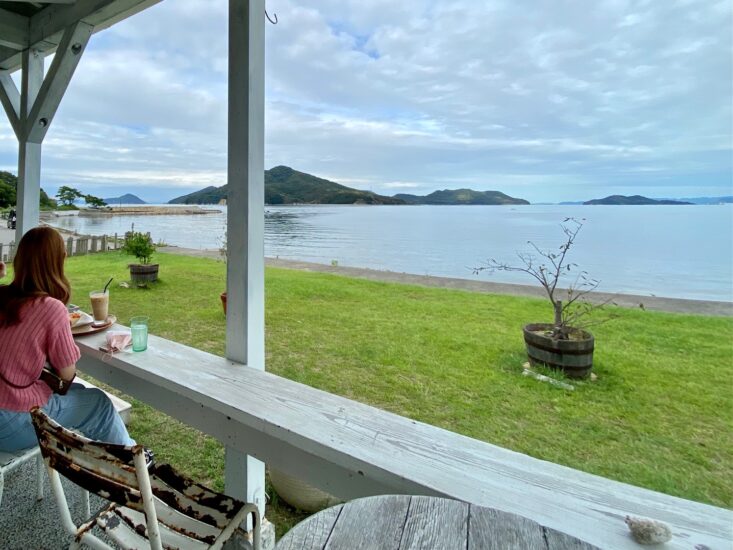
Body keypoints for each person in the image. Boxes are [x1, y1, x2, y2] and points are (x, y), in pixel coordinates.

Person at [0, 227, 135, 452]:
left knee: (81, 394)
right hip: (11, 422)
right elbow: (67, 375)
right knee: (98, 403)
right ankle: (133, 465)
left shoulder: (3, 296)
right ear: (59, 260)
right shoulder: (51, 308)